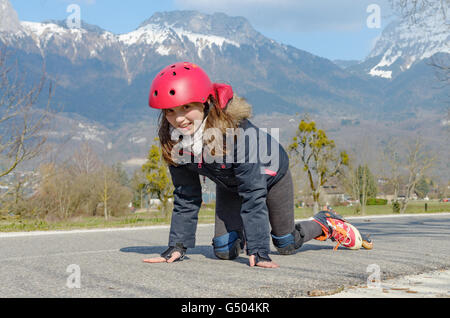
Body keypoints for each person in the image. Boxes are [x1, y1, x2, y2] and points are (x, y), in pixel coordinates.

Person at [143, 61, 372, 268]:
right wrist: (177, 247)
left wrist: (259, 249)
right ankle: (240, 234)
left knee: (285, 243)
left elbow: (253, 193)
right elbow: (186, 196)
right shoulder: (178, 141)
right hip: (231, 184)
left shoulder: (237, 136)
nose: (179, 118)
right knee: (224, 250)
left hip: (271, 177)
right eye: (170, 111)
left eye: (186, 107)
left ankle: (325, 222)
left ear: (206, 104)